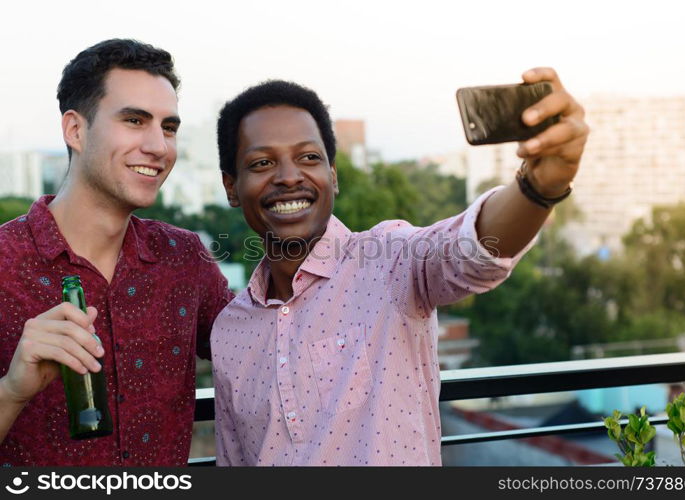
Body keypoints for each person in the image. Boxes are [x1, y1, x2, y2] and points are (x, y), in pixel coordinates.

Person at [211, 69, 588, 465]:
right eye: (262, 162)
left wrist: (537, 188)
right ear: (231, 187)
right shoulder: (230, 331)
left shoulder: (390, 262)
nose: (289, 177)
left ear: (333, 176)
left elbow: (470, 252)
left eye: (308, 157)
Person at [0, 39, 233, 466]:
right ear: (75, 130)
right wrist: (12, 389)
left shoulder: (185, 257)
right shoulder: (4, 263)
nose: (159, 147)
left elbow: (266, 351)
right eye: (134, 120)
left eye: (168, 127)